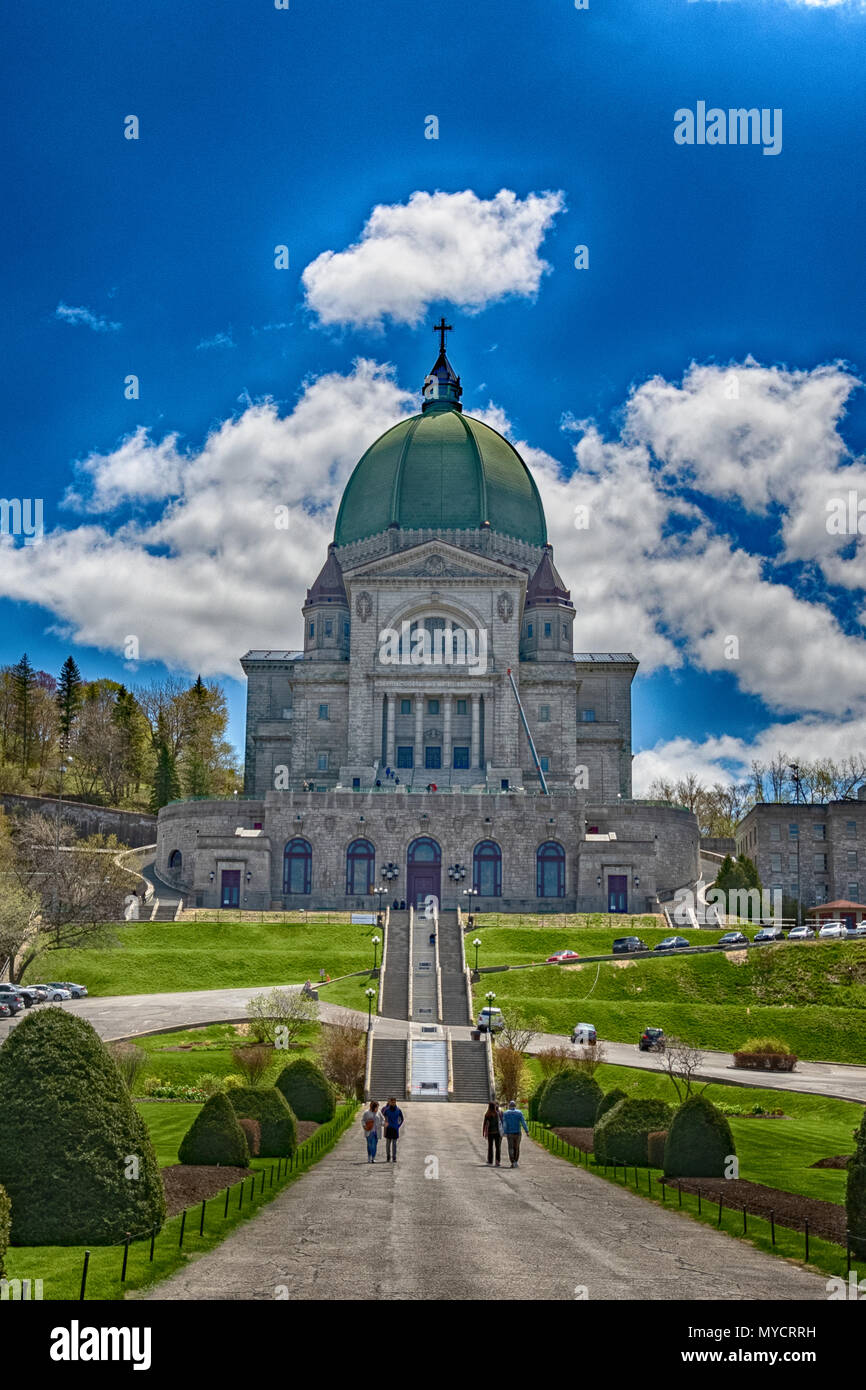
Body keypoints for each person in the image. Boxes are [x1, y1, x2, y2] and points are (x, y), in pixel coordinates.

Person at [501, 1100, 529, 1167]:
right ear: (515, 1106)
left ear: (509, 1106)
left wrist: (504, 1132)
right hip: (517, 1132)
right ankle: (516, 1161)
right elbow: (523, 1122)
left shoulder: (506, 1113)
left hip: (510, 1133)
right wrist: (526, 1131)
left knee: (510, 1147)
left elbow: (504, 1124)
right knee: (517, 1147)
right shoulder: (519, 1113)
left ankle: (512, 1161)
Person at [381, 1096, 405, 1162]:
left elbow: (402, 1119)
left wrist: (398, 1125)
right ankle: (388, 1156)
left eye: (394, 1102)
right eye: (392, 1102)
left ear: (395, 1102)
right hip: (388, 1129)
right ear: (390, 1102)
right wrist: (384, 1124)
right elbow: (381, 1117)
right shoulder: (386, 1110)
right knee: (388, 1144)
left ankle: (394, 1157)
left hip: (395, 1129)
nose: (393, 1103)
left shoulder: (398, 1110)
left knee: (394, 1144)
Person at [482, 1101, 503, 1166]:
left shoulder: (487, 1114)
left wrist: (484, 1132)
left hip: (490, 1133)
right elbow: (501, 1122)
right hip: (497, 1133)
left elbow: (484, 1124)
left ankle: (490, 1160)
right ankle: (497, 1161)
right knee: (498, 1147)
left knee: (490, 1147)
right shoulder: (497, 1114)